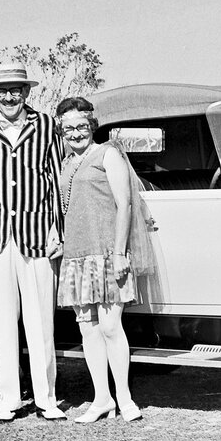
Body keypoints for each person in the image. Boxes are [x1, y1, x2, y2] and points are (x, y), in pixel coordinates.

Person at [0, 62, 66, 423]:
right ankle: (9, 399)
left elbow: (57, 182)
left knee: (41, 325)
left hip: (37, 237)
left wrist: (59, 230)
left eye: (15, 90)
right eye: (1, 91)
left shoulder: (46, 126)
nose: (8, 97)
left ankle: (47, 399)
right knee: (3, 323)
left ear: (26, 93)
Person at [55, 97, 155, 424]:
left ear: (92, 125)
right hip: (77, 258)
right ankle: (101, 400)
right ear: (61, 130)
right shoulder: (65, 164)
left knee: (112, 327)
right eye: (68, 128)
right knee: (88, 330)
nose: (75, 133)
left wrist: (120, 253)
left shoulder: (107, 154)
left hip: (109, 255)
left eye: (81, 126)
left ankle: (124, 399)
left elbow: (125, 205)